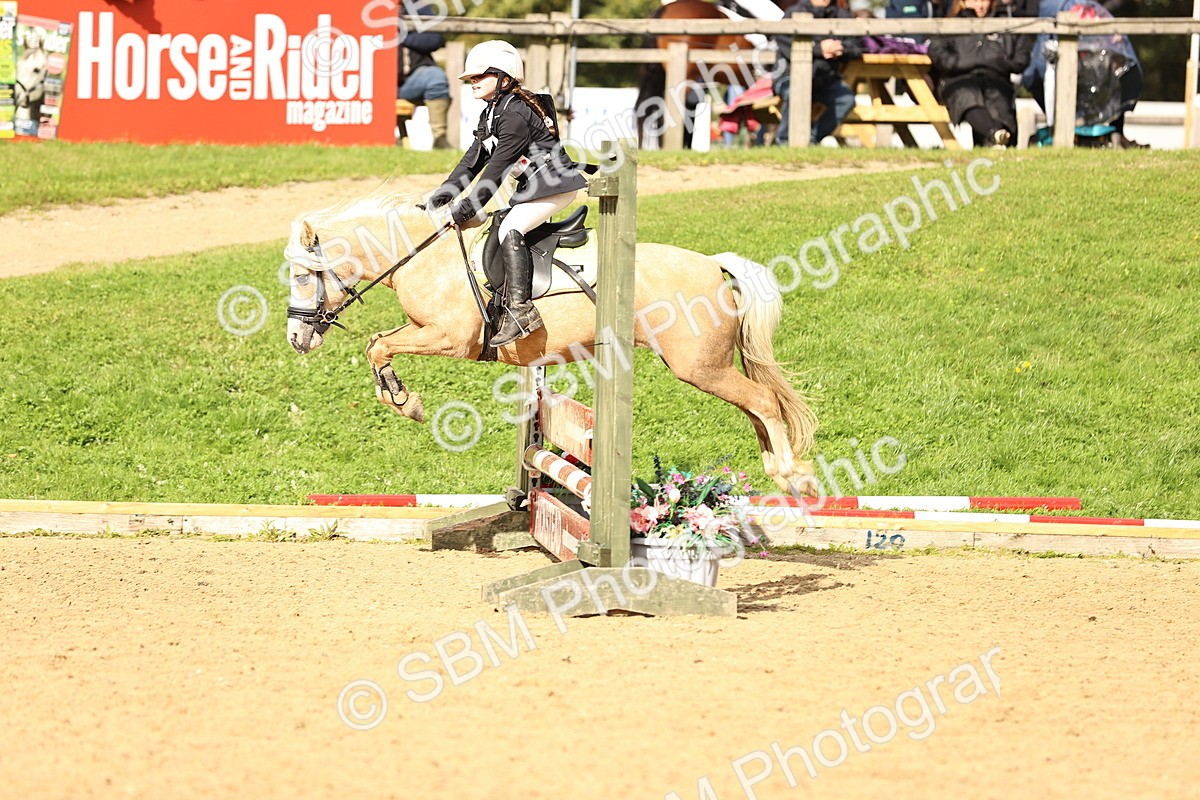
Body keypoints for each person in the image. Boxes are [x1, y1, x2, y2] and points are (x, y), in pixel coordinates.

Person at [427, 41, 587, 348]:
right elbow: (473, 161)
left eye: (479, 76)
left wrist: (463, 211)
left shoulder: (515, 114)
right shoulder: (492, 113)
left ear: (503, 77)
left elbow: (495, 171)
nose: (472, 81)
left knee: (511, 229)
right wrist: (441, 197)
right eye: (470, 78)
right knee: (499, 222)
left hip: (555, 186)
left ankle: (522, 311)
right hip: (534, 187)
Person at [928, 0, 1032, 148]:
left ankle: (997, 139)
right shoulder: (950, 24)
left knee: (999, 102)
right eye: (974, 0)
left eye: (984, 0)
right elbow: (938, 51)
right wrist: (959, 63)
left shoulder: (1006, 22)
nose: (980, 5)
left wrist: (998, 63)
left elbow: (1021, 58)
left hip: (996, 80)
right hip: (958, 80)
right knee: (967, 96)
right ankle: (995, 133)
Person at [772, 0, 863, 146]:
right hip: (789, 77)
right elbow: (785, 44)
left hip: (824, 80)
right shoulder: (793, 12)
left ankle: (812, 139)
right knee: (795, 91)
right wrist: (817, 48)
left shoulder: (841, 15)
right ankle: (784, 141)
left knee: (846, 99)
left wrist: (841, 48)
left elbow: (858, 46)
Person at [397, 25, 451, 149]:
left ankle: (440, 138)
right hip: (373, 81)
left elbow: (434, 39)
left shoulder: (417, 6)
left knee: (436, 77)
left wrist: (401, 34)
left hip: (411, 80)